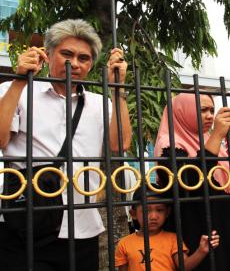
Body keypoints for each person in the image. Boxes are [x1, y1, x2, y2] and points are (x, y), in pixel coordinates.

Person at [0, 19, 132, 270]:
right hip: (26, 223)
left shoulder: (99, 102)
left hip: (81, 226)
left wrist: (118, 89)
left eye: (84, 58)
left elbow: (120, 145)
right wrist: (19, 81)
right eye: (66, 53)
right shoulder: (16, 91)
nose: (75, 63)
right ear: (48, 55)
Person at [154, 93, 230, 270]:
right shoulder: (169, 143)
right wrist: (218, 134)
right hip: (203, 227)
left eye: (212, 110)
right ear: (183, 112)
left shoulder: (207, 139)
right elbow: (190, 180)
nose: (210, 115)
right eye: (202, 110)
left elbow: (224, 178)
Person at [115, 185, 219, 271]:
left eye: (159, 210)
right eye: (146, 211)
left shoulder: (172, 239)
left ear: (167, 212)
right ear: (133, 214)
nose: (154, 216)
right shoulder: (124, 244)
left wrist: (201, 251)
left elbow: (185, 266)